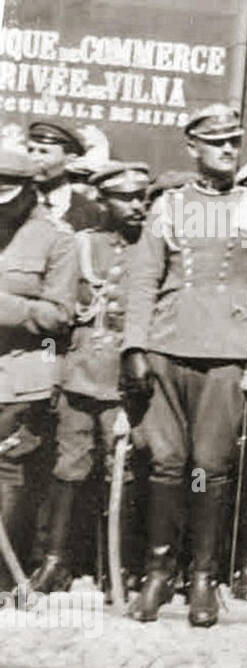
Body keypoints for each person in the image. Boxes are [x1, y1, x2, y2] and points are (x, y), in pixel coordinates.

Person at [120, 104, 247, 626]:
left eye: (235, 141)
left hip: (226, 353)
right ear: (193, 148)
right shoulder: (169, 206)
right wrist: (135, 347)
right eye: (217, 143)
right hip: (168, 344)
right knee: (166, 463)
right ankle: (159, 573)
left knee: (209, 468)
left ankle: (204, 577)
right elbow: (142, 279)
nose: (229, 150)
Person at [28, 162, 151, 594]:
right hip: (81, 375)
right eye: (126, 197)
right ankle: (57, 560)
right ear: (103, 200)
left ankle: (123, 565)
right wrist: (53, 372)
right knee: (69, 467)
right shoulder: (79, 245)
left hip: (128, 380)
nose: (137, 205)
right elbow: (58, 314)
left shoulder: (153, 249)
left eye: (142, 197)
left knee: (127, 470)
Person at [0, 149, 77, 592]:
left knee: (8, 473)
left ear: (30, 190)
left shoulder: (56, 238)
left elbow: (59, 315)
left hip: (19, 377)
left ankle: (4, 576)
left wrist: (8, 308)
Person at [25, 121, 103, 231]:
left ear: (70, 159)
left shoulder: (89, 210)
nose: (33, 158)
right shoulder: (13, 200)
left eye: (44, 152)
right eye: (30, 150)